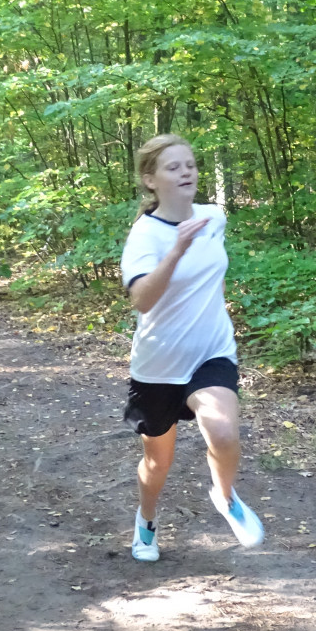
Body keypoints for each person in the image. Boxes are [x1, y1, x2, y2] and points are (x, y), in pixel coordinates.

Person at [120, 133, 264, 561]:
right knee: (157, 463)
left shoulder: (213, 217)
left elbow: (213, 274)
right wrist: (177, 249)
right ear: (150, 180)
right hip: (159, 364)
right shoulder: (145, 236)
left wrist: (212, 311)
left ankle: (225, 496)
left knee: (221, 429)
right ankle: (146, 523)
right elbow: (142, 300)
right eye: (173, 167)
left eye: (191, 164)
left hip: (211, 351)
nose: (187, 172)